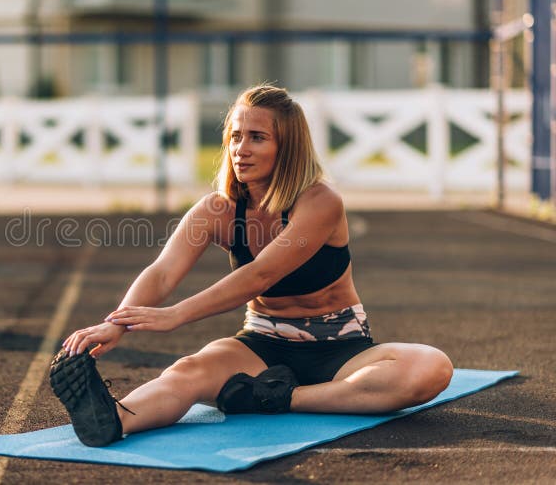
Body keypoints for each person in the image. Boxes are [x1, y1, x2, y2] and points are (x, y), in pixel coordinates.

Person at [49, 84, 454, 447]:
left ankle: (275, 397)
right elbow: (162, 272)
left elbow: (261, 274)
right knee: (188, 371)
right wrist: (116, 323)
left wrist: (175, 316)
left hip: (340, 348)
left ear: (287, 147)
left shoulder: (319, 202)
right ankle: (115, 419)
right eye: (235, 137)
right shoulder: (218, 210)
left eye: (257, 138)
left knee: (430, 368)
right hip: (261, 347)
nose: (241, 149)